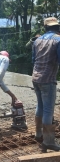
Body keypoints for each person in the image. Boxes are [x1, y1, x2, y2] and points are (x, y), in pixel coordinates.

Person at [32, 17, 60, 152]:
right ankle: (48, 141)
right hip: (48, 79)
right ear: (57, 27)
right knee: (48, 109)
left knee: (40, 105)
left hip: (35, 78)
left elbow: (33, 59)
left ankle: (38, 134)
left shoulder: (37, 40)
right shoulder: (58, 40)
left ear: (45, 28)